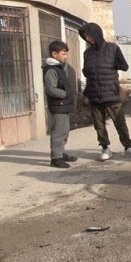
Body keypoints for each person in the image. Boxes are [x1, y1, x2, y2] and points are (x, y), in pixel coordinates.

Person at [79, 22, 131, 161]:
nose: (88, 38)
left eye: (89, 35)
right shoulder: (87, 53)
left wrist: (110, 67)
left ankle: (128, 147)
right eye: (85, 36)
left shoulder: (112, 48)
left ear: (96, 34)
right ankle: (105, 148)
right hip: (94, 95)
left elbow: (124, 66)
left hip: (111, 94)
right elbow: (86, 72)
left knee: (120, 123)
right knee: (99, 125)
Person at [43, 40, 78, 168]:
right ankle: (56, 158)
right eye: (63, 53)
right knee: (58, 132)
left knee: (65, 131)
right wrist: (65, 94)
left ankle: (61, 153)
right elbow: (51, 89)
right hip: (58, 106)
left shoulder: (60, 67)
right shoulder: (51, 70)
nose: (66, 56)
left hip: (64, 105)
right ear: (54, 54)